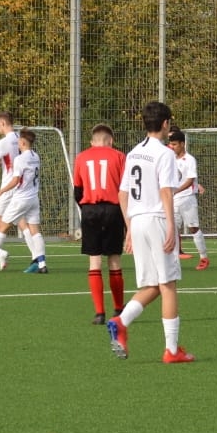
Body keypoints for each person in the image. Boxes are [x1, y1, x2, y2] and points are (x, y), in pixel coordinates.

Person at [107, 101, 193, 363]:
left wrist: (129, 228)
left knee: (153, 284)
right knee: (168, 285)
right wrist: (171, 227)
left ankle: (121, 321)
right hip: (157, 220)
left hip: (138, 221)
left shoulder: (133, 153)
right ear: (166, 124)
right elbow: (166, 191)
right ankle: (172, 350)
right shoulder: (165, 154)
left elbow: (122, 194)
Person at [74, 124, 127, 324]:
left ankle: (99, 313)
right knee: (114, 260)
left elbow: (77, 191)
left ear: (92, 141)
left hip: (90, 211)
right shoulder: (120, 156)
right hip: (114, 210)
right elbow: (125, 189)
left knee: (94, 262)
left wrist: (87, 208)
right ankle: (119, 309)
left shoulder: (81, 157)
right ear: (110, 140)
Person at [0, 128, 48, 273]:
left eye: (19, 141)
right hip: (34, 198)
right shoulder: (36, 156)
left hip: (21, 199)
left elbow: (16, 181)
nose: (18, 143)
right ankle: (42, 264)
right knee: (35, 231)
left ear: (23, 142)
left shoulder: (20, 159)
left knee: (2, 227)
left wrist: (2, 190)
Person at [170, 129, 210, 270]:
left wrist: (176, 191)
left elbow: (190, 180)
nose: (172, 147)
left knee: (193, 228)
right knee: (172, 229)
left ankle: (204, 258)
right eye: (171, 144)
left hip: (187, 199)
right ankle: (173, 260)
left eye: (175, 144)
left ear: (182, 144)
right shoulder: (170, 159)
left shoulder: (190, 159)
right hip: (173, 200)